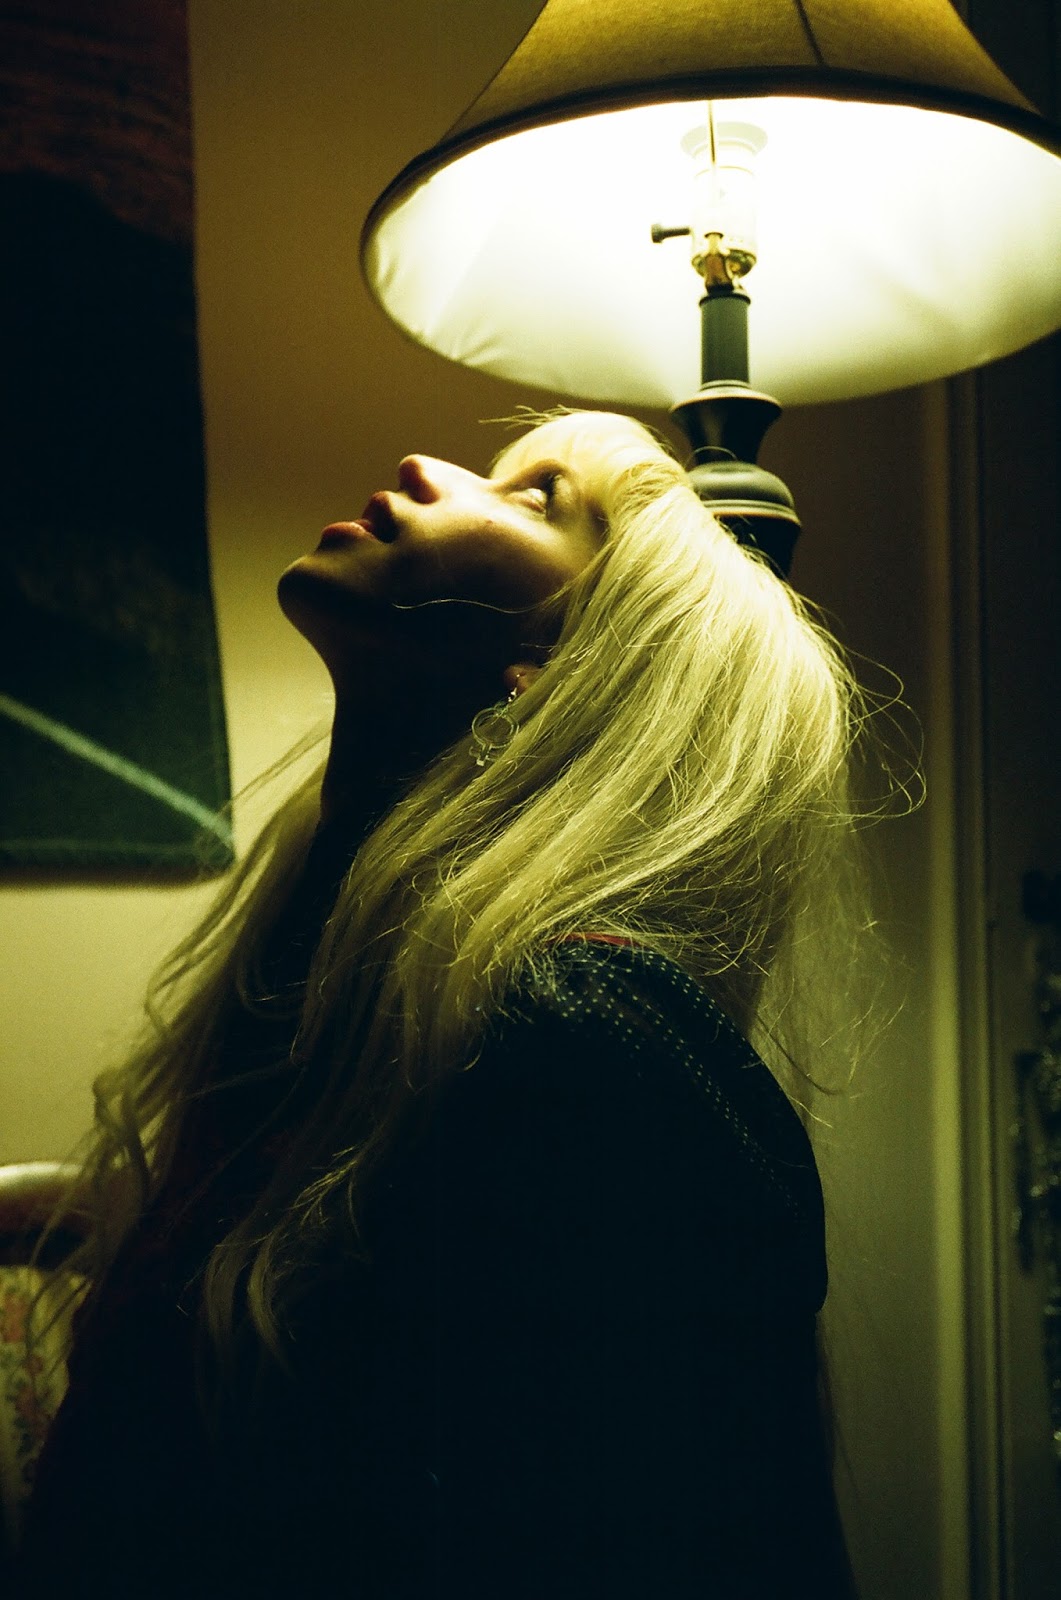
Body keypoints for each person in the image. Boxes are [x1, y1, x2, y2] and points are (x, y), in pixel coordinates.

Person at [14, 408, 873, 1597]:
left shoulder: (576, 1035)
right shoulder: (321, 998)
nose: (421, 464)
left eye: (536, 498)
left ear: (561, 672)